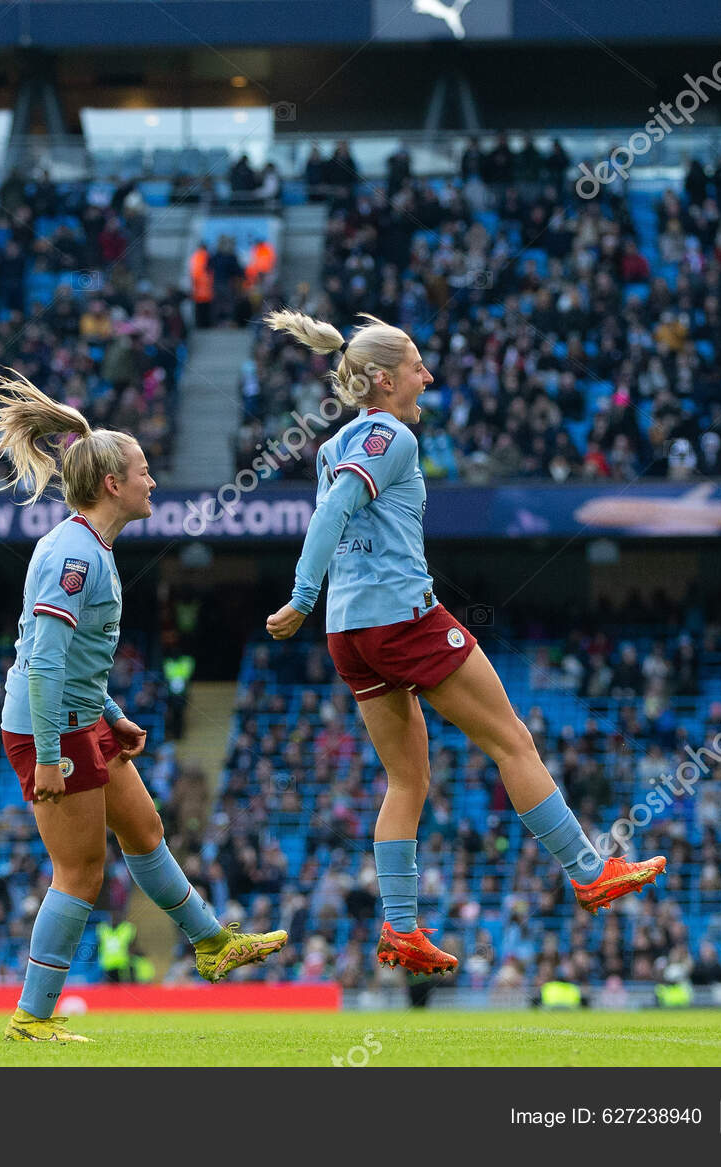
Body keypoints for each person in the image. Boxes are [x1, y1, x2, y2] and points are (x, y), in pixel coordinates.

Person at [262, 310, 665, 976]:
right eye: (418, 365)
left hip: (350, 632)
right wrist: (300, 596)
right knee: (512, 739)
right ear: (387, 379)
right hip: (401, 619)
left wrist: (317, 603)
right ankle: (589, 870)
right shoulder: (389, 434)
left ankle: (399, 927)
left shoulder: (333, 443)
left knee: (408, 777)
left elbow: (336, 518)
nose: (428, 375)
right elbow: (334, 512)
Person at [0, 372, 287, 1042]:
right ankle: (31, 1018)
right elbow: (41, 662)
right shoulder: (73, 554)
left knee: (147, 831)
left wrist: (108, 710)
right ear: (113, 483)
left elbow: (71, 658)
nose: (153, 480)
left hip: (77, 715)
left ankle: (211, 943)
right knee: (81, 872)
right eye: (144, 470)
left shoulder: (89, 548)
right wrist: (55, 757)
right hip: (49, 728)